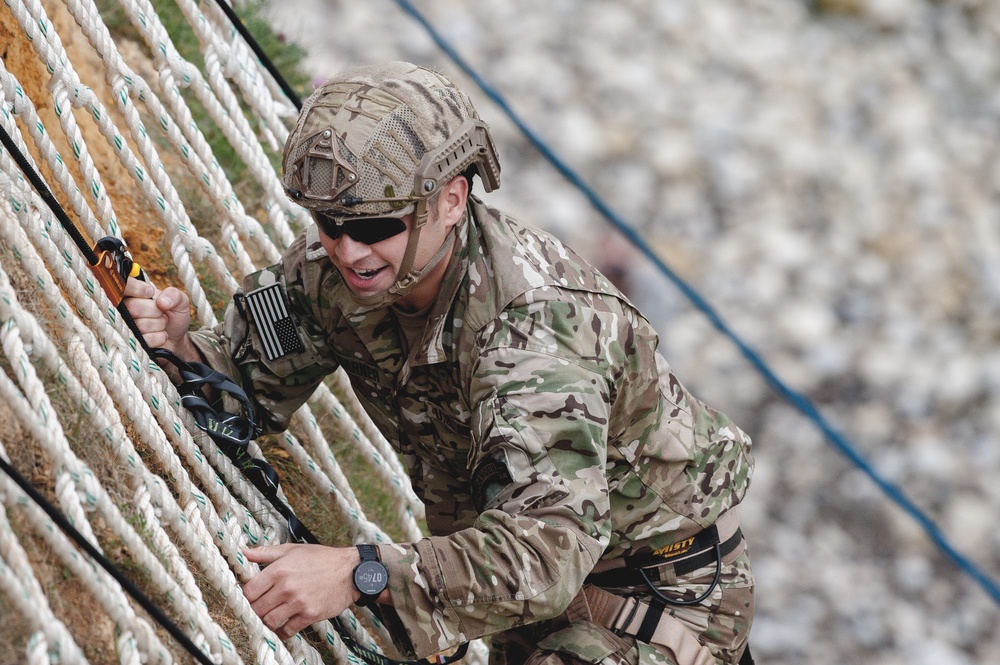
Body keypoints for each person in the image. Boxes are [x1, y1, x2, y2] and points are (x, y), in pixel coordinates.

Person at [124, 61, 755, 665]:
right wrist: (183, 350)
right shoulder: (335, 276)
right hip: (518, 573)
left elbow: (546, 554)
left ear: (452, 201)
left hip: (655, 597)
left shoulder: (534, 332)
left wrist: (359, 571)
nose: (348, 249)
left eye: (376, 226)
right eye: (328, 221)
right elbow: (241, 389)